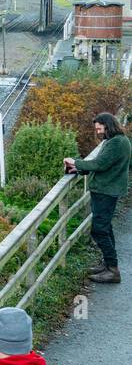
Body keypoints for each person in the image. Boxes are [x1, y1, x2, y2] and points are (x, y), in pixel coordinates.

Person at [64, 112, 129, 284]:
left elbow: (99, 164)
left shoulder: (116, 143)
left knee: (99, 230)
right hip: (107, 189)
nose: (98, 132)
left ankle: (113, 270)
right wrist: (80, 170)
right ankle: (108, 264)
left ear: (108, 126)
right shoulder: (118, 141)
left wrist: (75, 162)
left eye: (100, 128)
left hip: (106, 191)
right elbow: (104, 163)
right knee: (105, 228)